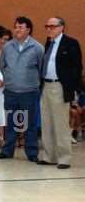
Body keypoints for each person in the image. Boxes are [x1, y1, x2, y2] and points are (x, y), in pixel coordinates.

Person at [0, 16, 44, 162]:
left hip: (29, 92)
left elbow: (41, 69)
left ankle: (32, 152)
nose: (17, 30)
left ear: (28, 30)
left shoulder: (37, 48)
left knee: (29, 124)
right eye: (16, 27)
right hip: (11, 91)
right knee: (11, 122)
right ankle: (7, 150)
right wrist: (11, 79)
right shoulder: (7, 46)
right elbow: (2, 66)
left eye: (20, 27)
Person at [37, 17, 83, 169]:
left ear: (62, 27)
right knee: (46, 122)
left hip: (59, 87)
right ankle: (49, 156)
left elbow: (76, 68)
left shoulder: (71, 44)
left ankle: (64, 158)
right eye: (47, 26)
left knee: (61, 123)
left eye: (52, 26)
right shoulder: (49, 42)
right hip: (46, 86)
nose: (49, 29)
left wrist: (72, 90)